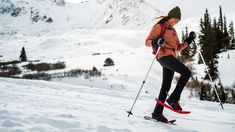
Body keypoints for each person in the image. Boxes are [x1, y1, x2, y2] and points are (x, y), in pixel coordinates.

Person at [145, 6, 196, 122]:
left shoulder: (173, 31)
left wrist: (189, 40)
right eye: (175, 19)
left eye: (178, 21)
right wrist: (156, 41)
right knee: (186, 72)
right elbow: (147, 42)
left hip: (171, 57)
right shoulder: (159, 27)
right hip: (163, 56)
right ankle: (173, 98)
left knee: (166, 87)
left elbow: (177, 48)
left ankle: (157, 113)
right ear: (169, 17)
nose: (176, 22)